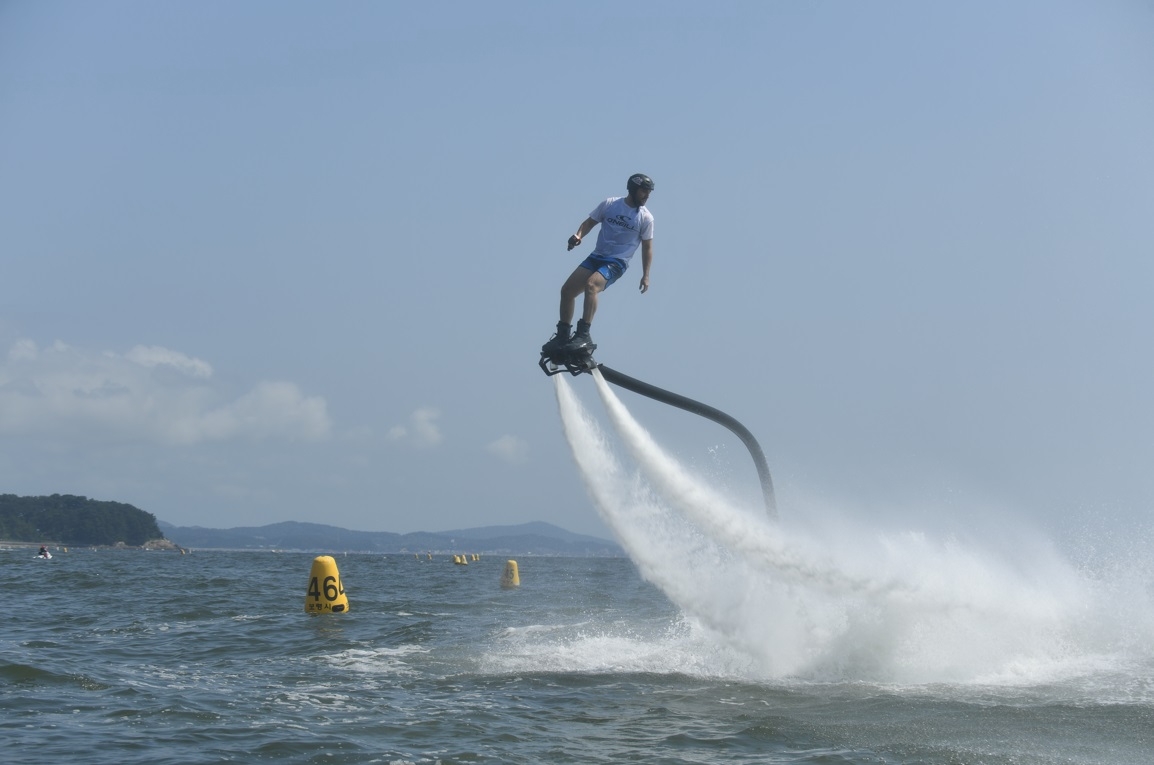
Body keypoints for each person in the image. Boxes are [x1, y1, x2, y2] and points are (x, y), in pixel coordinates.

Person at [542, 173, 655, 359]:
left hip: (617, 262)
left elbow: (647, 248)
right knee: (567, 291)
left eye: (649, 192)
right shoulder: (610, 204)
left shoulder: (646, 218)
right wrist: (578, 236)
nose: (647, 196)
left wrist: (646, 275)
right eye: (644, 191)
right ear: (633, 189)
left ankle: (583, 335)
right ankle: (562, 336)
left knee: (592, 285)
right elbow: (589, 223)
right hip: (597, 257)